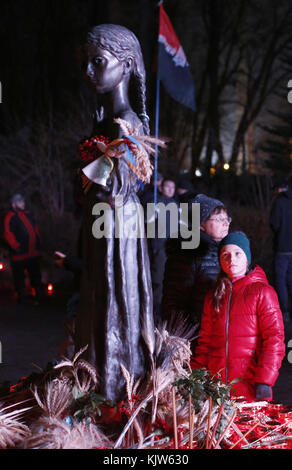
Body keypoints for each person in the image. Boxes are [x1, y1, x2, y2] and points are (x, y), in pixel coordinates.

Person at [74, 24, 155, 404]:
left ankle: (114, 390)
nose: (89, 71)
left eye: (98, 62)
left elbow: (110, 186)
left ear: (125, 66)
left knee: (116, 298)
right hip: (102, 226)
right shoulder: (105, 121)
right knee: (98, 296)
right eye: (87, 62)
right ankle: (96, 386)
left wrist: (93, 172)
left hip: (117, 227)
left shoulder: (128, 125)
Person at [191, 231, 285, 402]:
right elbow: (205, 342)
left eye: (237, 253)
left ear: (247, 258)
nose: (231, 259)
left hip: (249, 386)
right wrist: (196, 376)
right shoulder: (214, 296)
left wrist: (265, 379)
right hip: (217, 388)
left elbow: (274, 339)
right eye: (225, 255)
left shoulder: (262, 292)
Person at [162, 193, 231, 327]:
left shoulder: (226, 251)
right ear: (200, 224)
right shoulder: (187, 254)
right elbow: (174, 302)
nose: (226, 223)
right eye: (218, 219)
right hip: (196, 335)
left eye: (227, 218)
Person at [144, 177, 179, 322]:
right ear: (161, 188)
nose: (170, 190)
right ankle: (154, 311)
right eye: (167, 187)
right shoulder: (155, 202)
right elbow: (147, 223)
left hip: (174, 247)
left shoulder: (176, 205)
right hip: (159, 246)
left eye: (173, 187)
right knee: (158, 279)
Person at [3, 193, 42, 304]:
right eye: (20, 202)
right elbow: (8, 234)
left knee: (35, 276)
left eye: (23, 201)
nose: (23, 203)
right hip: (19, 255)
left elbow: (35, 230)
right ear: (14, 204)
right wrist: (16, 247)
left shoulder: (28, 214)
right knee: (19, 278)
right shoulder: (10, 217)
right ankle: (21, 298)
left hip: (32, 253)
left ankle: (39, 297)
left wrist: (39, 242)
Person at [270, 179, 292, 323]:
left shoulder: (279, 203)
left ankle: (284, 311)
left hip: (282, 248)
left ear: (278, 189)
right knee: (290, 279)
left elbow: (274, 224)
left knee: (280, 279)